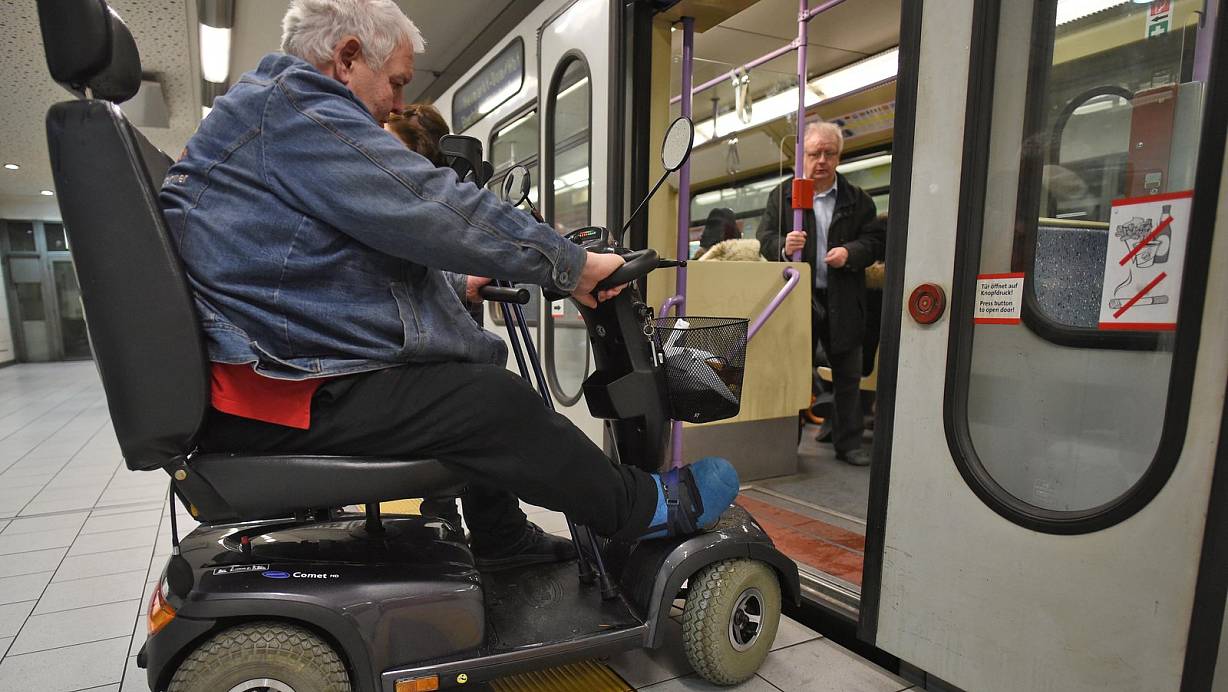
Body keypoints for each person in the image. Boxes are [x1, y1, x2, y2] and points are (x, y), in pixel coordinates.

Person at [160, 0, 738, 571]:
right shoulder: (295, 106)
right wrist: (575, 265)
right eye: (396, 81)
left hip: (270, 369)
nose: (400, 103)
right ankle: (641, 509)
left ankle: (502, 536)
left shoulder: (265, 112)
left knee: (472, 383)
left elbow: (321, 257)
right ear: (347, 57)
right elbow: (426, 204)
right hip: (274, 392)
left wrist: (459, 283)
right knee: (490, 403)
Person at [756, 121, 884, 466]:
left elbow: (875, 241)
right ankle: (788, 445)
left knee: (847, 376)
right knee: (793, 373)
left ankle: (849, 444)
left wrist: (851, 253)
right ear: (802, 156)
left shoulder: (859, 201)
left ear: (839, 157)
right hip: (799, 298)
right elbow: (764, 238)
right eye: (815, 153)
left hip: (844, 297)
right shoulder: (783, 197)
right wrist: (783, 245)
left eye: (830, 153)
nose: (822, 160)